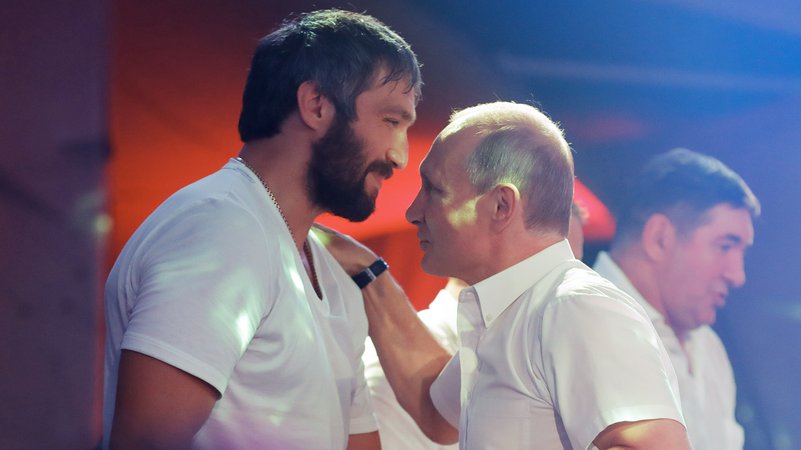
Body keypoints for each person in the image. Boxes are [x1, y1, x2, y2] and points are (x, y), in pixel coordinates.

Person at [102, 9, 421, 449]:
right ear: (317, 105)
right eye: (391, 121)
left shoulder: (333, 278)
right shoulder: (223, 231)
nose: (400, 156)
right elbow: (143, 444)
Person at [322, 101, 691, 449]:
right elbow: (435, 411)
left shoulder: (575, 306)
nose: (414, 211)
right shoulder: (512, 312)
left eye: (434, 190)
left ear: (501, 205)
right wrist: (368, 272)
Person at [360, 202, 587, 449]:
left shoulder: (545, 355)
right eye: (551, 264)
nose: (567, 281)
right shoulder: (389, 369)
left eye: (573, 265)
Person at [593, 148, 760, 450]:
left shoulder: (708, 346)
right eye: (725, 246)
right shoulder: (579, 325)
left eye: (741, 252)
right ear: (660, 238)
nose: (737, 275)